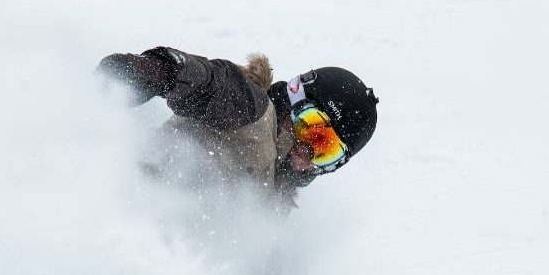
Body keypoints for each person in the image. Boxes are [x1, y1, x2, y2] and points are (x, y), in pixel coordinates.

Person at [97, 46, 379, 213]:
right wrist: (156, 73)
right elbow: (211, 83)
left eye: (326, 152)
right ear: (296, 97)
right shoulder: (253, 113)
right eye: (313, 130)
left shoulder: (277, 196)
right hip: (130, 201)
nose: (307, 154)